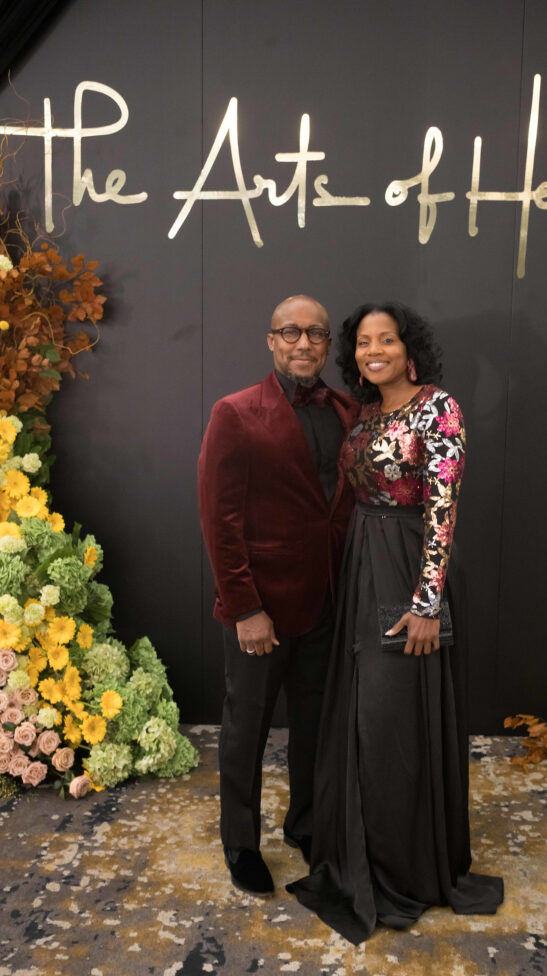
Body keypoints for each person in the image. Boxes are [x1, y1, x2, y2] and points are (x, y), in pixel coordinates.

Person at [287, 301, 504, 943]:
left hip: (409, 565)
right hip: (362, 562)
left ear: (410, 351)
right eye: (360, 342)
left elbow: (444, 509)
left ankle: (399, 869)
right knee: (356, 713)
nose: (371, 350)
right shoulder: (367, 414)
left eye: (385, 340)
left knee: (392, 719)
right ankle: (357, 855)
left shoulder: (440, 407)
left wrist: (427, 602)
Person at [198, 294, 358, 896]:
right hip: (260, 610)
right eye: (290, 332)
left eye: (316, 333)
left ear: (326, 345)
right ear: (271, 340)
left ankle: (307, 825)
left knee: (315, 726)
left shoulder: (347, 411)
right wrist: (244, 608)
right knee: (246, 730)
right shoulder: (235, 413)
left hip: (327, 604)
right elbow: (220, 520)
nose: (304, 343)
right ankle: (239, 842)